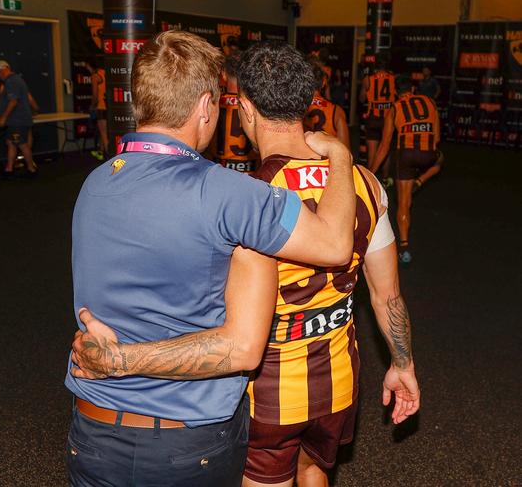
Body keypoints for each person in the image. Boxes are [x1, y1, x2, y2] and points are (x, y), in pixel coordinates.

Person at [72, 41, 421, 487]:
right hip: (337, 383)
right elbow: (387, 294)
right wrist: (403, 363)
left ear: (247, 110)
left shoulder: (246, 194)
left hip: (266, 395)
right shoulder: (365, 184)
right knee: (315, 470)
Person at [370, 75, 442, 264]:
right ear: (413, 89)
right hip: (428, 154)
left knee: (404, 203)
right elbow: (436, 139)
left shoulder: (394, 108)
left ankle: (404, 247)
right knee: (440, 158)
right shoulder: (430, 103)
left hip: (405, 156)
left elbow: (385, 146)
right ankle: (421, 180)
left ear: (396, 92)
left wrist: (370, 171)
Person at [210, 52, 258, 174]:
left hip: (218, 173)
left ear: (224, 75)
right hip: (252, 174)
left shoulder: (213, 103)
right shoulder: (256, 105)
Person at [0, 60, 38, 179]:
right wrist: (35, 109)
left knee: (21, 144)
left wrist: (3, 118)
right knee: (12, 143)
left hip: (17, 121)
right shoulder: (16, 80)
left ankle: (31, 169)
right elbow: (28, 97)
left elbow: (13, 101)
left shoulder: (11, 81)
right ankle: (10, 168)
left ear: (2, 70)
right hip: (18, 120)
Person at [359, 53, 396, 186]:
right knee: (386, 149)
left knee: (372, 151)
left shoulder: (368, 79)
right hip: (388, 118)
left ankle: (370, 183)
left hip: (373, 118)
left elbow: (362, 98)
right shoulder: (393, 78)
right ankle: (385, 180)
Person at [0, 79, 40, 169]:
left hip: (14, 120)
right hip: (21, 119)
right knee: (19, 142)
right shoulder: (18, 88)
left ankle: (28, 166)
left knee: (17, 143)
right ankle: (24, 165)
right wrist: (35, 110)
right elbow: (32, 101)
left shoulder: (5, 89)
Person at [304, 58, 350, 150]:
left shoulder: (295, 108)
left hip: (301, 162)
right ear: (324, 82)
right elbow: (345, 150)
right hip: (326, 162)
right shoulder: (337, 111)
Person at [88, 57, 108, 161]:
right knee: (103, 133)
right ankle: (101, 152)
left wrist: (92, 106)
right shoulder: (106, 73)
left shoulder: (95, 76)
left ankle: (110, 158)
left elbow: (95, 96)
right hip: (109, 107)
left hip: (101, 107)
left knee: (104, 135)